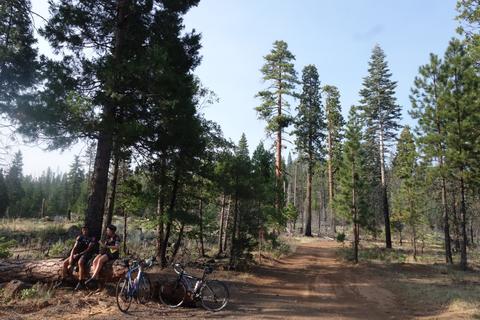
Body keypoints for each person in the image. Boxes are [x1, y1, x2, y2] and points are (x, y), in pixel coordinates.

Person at [56, 225, 97, 290]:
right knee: (65, 263)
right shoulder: (79, 237)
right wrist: (71, 256)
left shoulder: (92, 238)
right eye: (83, 230)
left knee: (80, 262)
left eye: (86, 230)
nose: (84, 231)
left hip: (86, 254)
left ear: (88, 230)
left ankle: (81, 282)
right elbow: (74, 248)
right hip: (77, 254)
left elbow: (88, 249)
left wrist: (78, 255)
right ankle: (63, 280)